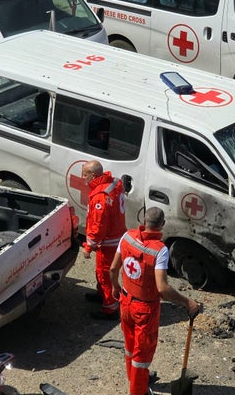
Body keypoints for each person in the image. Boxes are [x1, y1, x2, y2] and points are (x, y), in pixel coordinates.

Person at [110, 207, 202, 395]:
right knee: (142, 355)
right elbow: (163, 288)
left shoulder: (127, 236)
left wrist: (115, 287)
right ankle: (139, 391)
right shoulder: (160, 251)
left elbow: (113, 268)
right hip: (144, 309)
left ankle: (134, 378)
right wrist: (187, 302)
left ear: (144, 220)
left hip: (125, 301)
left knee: (130, 346)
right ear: (162, 224)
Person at [82, 160, 127, 320]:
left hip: (109, 242)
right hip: (117, 237)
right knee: (102, 272)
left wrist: (89, 247)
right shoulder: (113, 184)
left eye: (85, 175)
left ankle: (110, 308)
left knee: (105, 274)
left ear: (93, 175)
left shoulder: (100, 196)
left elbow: (98, 225)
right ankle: (102, 294)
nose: (83, 178)